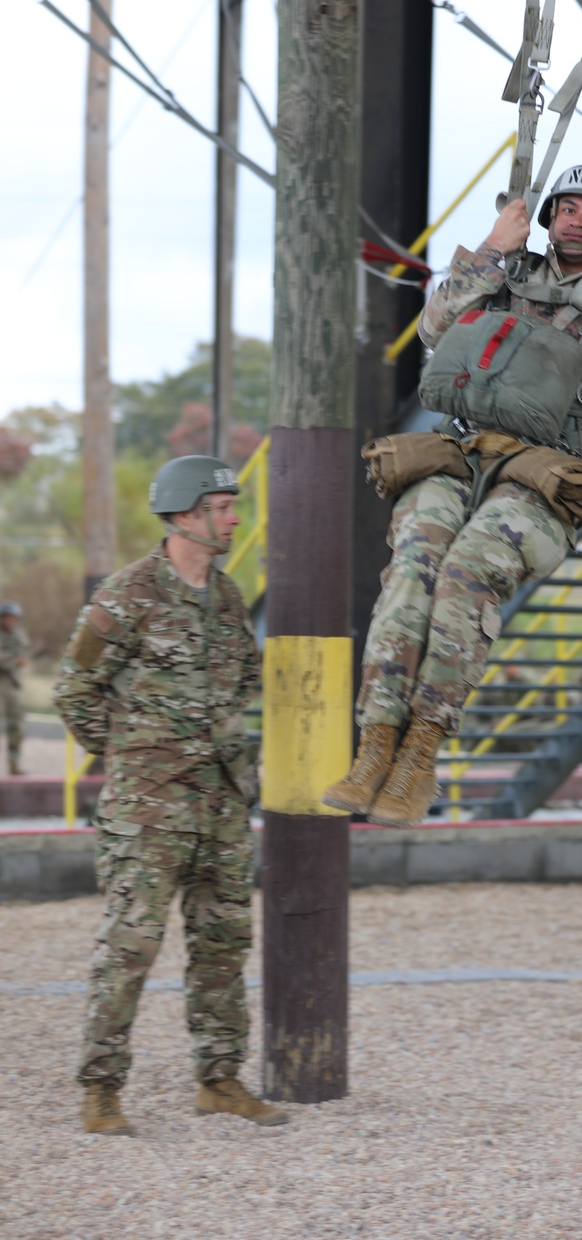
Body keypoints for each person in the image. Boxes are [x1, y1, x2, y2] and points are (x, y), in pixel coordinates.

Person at [325, 164, 582, 828]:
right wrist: (492, 248)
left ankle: (420, 752)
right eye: (565, 207)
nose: (575, 217)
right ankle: (376, 743)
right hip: (463, 452)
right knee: (412, 570)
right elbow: (433, 328)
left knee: (466, 573)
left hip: (548, 471)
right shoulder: (503, 277)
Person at [55, 455, 286, 1136]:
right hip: (148, 809)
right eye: (223, 506)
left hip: (219, 804)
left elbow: (243, 678)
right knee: (132, 946)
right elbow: (75, 689)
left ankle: (218, 1079)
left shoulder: (227, 596)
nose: (236, 516)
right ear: (186, 512)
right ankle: (101, 1090)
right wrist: (133, 757)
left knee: (223, 942)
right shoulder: (125, 596)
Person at [0, 600, 29, 776]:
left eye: (13, 618)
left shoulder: (19, 635)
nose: (10, 621)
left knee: (16, 725)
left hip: (12, 685)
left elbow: (23, 656)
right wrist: (12, 660)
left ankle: (14, 763)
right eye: (7, 617)